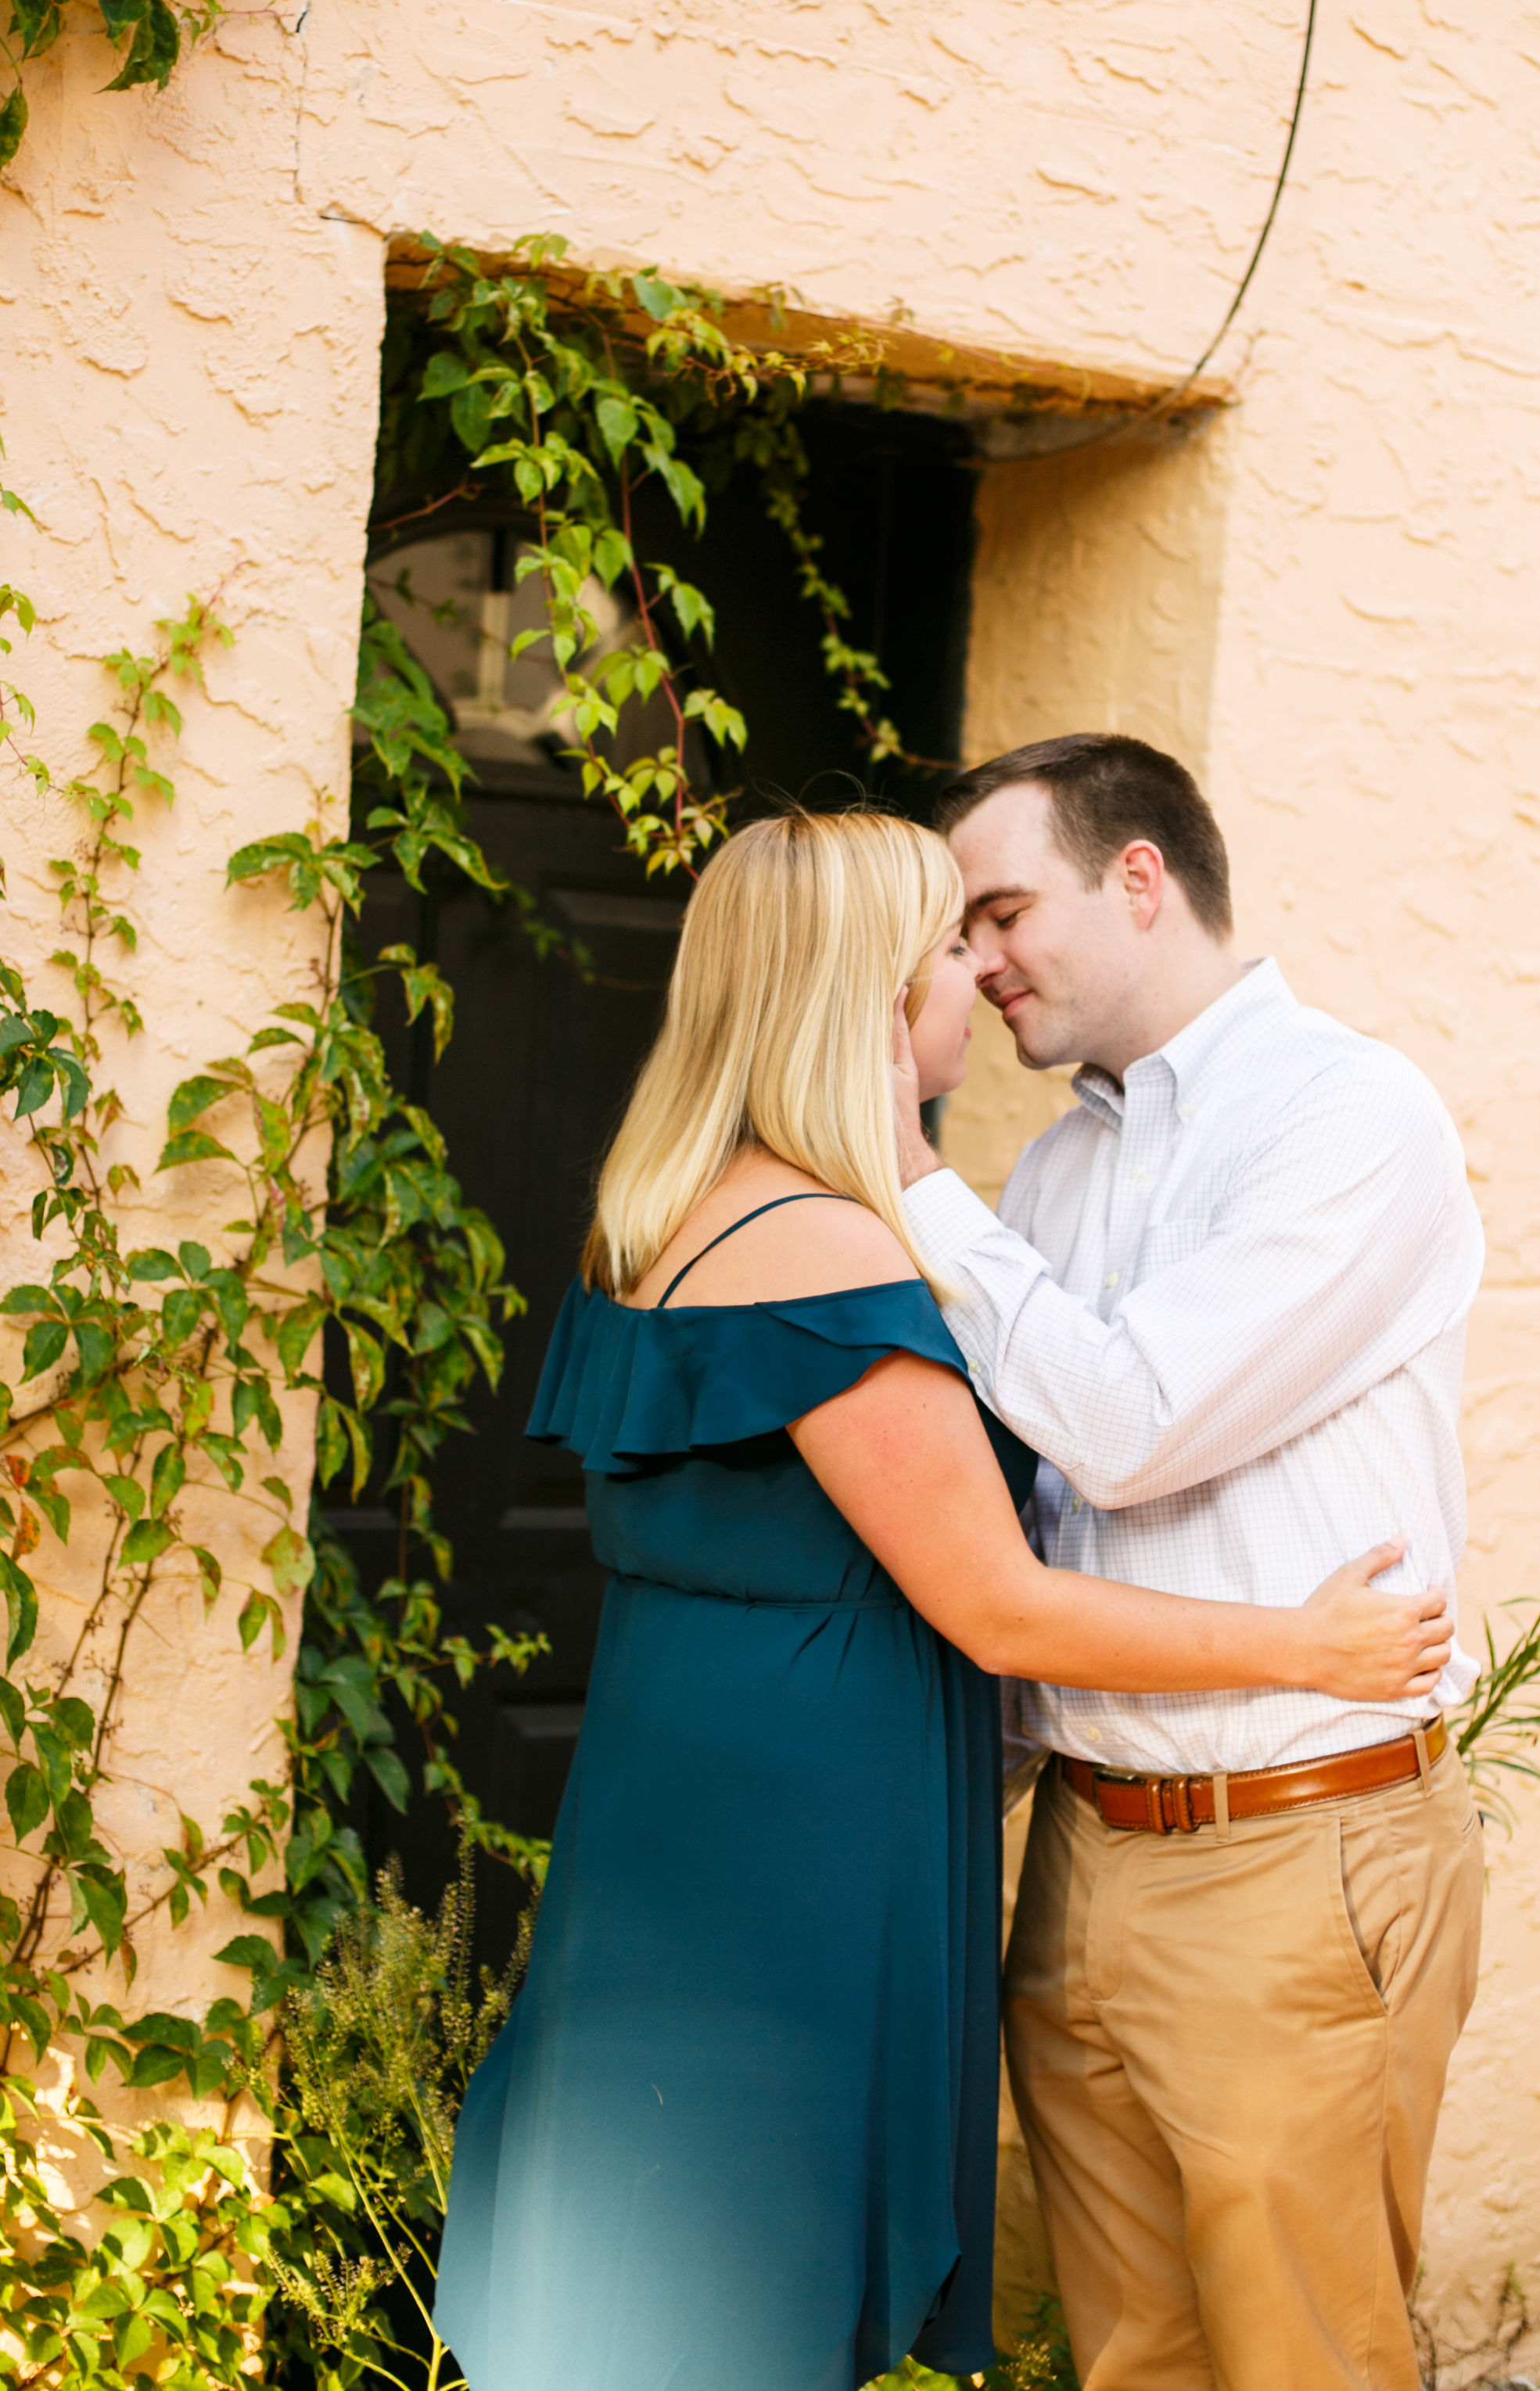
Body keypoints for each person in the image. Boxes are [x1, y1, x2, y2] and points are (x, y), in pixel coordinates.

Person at [434, 806, 1457, 2391]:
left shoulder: (656, 1218)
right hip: (797, 1869)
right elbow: (1001, 1603)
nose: (972, 977)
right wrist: (1301, 1641)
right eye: (941, 946)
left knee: (650, 2273)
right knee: (735, 2290)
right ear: (862, 995)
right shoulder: (829, 1245)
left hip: (681, 1821)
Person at [892, 734, 1488, 2391]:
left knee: (1305, 2361)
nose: (977, 961)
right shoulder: (1067, 1162)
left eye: (1001, 910)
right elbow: (1049, 1523)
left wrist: (904, 1165)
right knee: (1131, 2357)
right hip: (1086, 1847)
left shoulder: (1351, 1114)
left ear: (1137, 877)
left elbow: (1130, 1427)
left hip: (1294, 1859)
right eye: (962, 931)